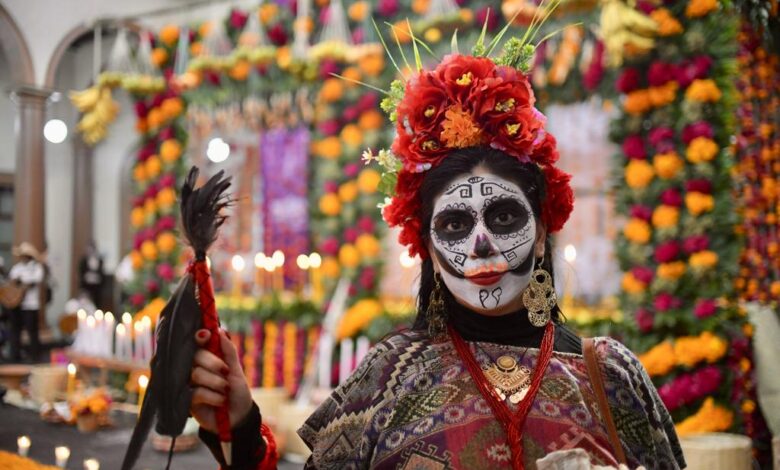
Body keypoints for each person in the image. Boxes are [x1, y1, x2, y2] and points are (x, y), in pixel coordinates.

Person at [190, 41, 686, 469]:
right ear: (425, 246)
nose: (482, 245)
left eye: (505, 217)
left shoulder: (611, 376)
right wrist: (240, 422)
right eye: (454, 224)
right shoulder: (386, 379)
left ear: (541, 233)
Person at [8, 242, 44, 362]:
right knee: (15, 330)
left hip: (30, 305)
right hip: (17, 304)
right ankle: (15, 356)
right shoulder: (17, 268)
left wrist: (22, 284)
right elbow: (12, 282)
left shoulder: (36, 268)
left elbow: (32, 283)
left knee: (32, 332)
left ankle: (34, 357)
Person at [79, 240, 105, 307]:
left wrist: (96, 277)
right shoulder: (83, 260)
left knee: (97, 304)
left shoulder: (99, 260)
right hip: (86, 286)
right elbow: (81, 273)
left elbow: (102, 273)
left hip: (97, 287)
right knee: (85, 303)